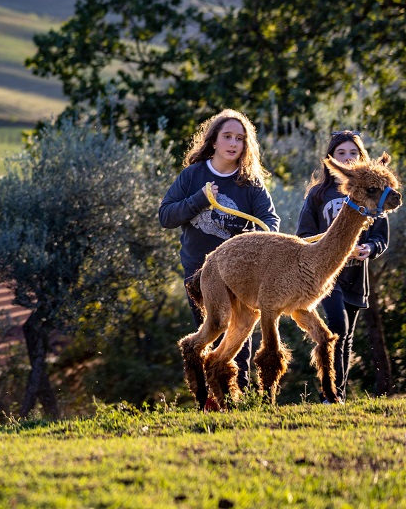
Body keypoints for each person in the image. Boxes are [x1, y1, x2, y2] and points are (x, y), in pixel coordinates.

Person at [159, 108, 279, 392]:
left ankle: (242, 400)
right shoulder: (192, 176)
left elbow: (270, 222)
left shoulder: (250, 182)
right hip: (198, 274)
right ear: (213, 141)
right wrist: (200, 200)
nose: (233, 143)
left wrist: (256, 239)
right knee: (209, 333)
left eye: (240, 138)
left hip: (240, 275)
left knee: (240, 338)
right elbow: (166, 217)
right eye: (227, 136)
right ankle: (211, 399)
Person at [295, 130, 390, 403]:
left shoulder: (373, 193)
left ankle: (337, 395)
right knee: (337, 324)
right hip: (326, 277)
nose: (348, 159)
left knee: (346, 335)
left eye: (354, 153)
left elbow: (380, 238)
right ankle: (329, 393)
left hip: (355, 276)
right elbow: (303, 234)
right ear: (331, 159)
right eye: (341, 153)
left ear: (362, 157)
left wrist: (368, 249)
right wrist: (329, 247)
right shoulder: (318, 194)